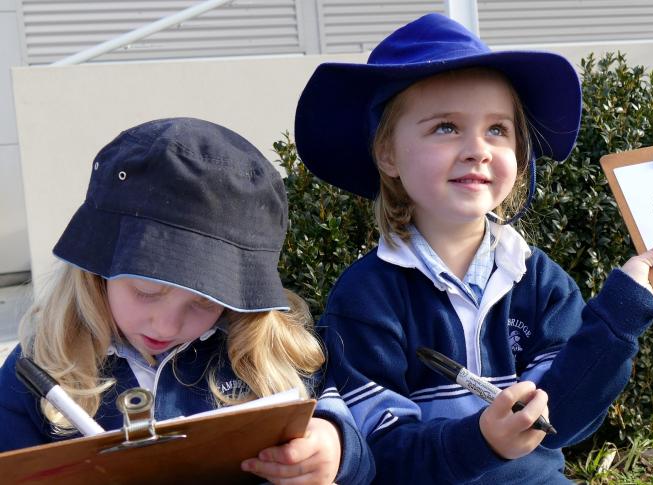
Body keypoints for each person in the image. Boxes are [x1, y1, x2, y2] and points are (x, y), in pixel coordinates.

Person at [293, 13, 653, 484]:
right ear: (387, 154)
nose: (478, 149)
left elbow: (562, 424)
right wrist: (481, 441)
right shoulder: (366, 298)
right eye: (446, 127)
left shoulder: (540, 283)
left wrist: (621, 312)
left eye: (497, 129)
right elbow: (380, 455)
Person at [0, 118, 373, 484]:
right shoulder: (42, 365)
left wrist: (334, 447)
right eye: (146, 291)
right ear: (98, 268)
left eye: (204, 303)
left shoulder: (274, 355)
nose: (166, 325)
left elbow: (354, 448)